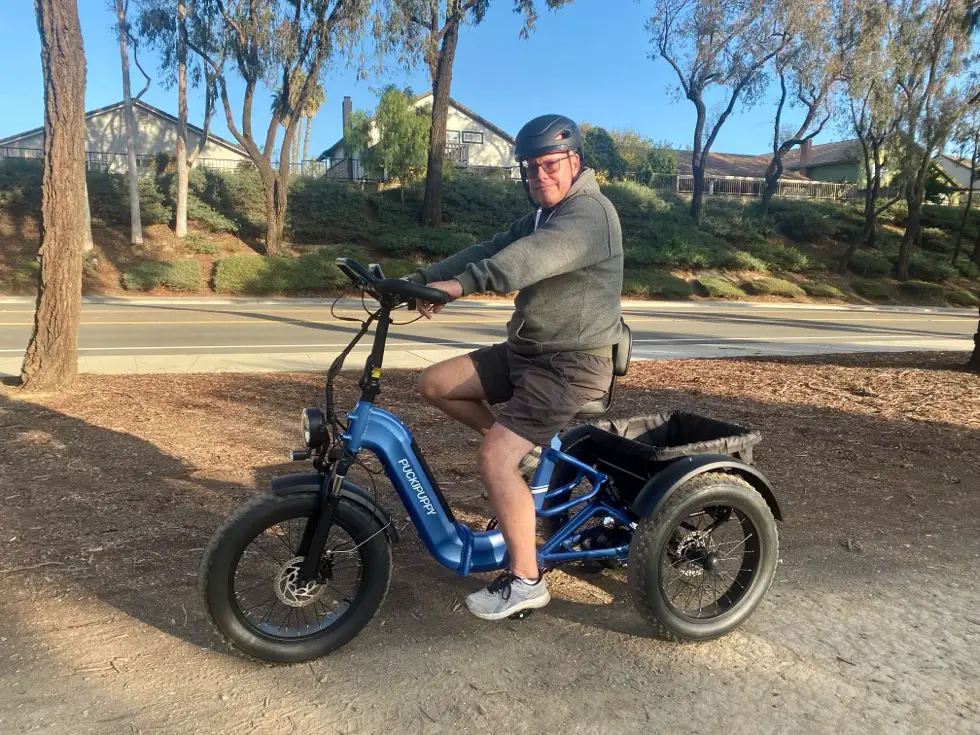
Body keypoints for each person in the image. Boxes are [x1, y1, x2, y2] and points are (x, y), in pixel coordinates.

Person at [406, 114, 624, 620]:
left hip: (573, 365)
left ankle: (526, 580)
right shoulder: (545, 214)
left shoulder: (590, 214)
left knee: (493, 459)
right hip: (530, 355)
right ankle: (527, 456)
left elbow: (523, 261)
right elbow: (492, 247)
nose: (538, 177)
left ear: (574, 161)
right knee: (436, 382)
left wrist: (459, 287)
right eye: (528, 169)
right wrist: (420, 278)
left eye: (548, 165)